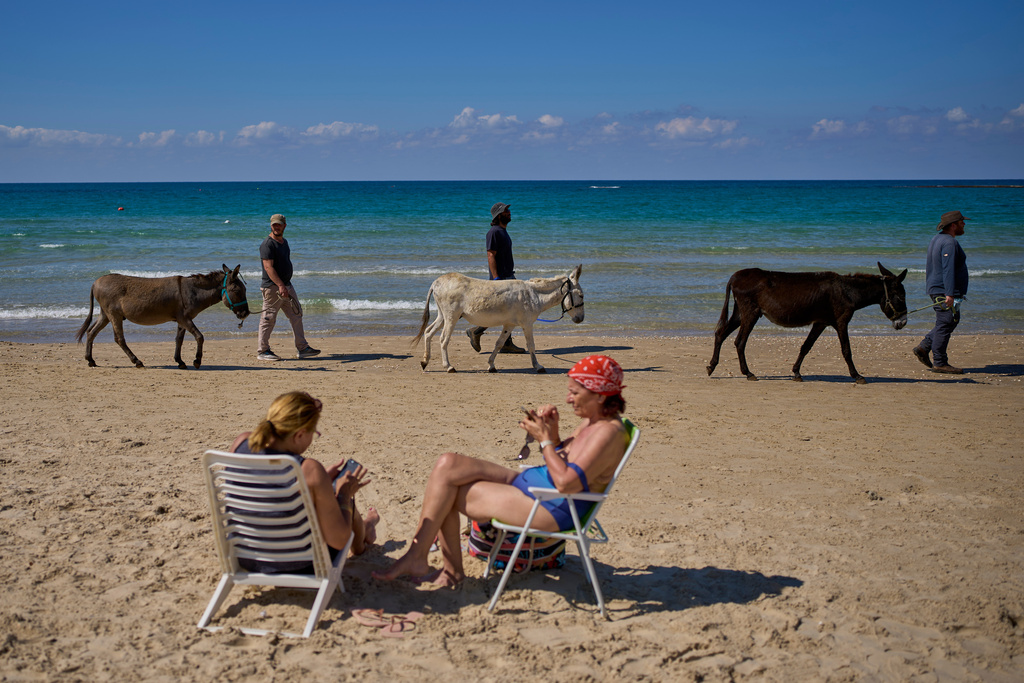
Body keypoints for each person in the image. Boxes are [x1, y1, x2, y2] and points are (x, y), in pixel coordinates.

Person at [373, 355, 629, 587]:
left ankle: (442, 567)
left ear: (598, 395)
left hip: (553, 507)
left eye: (574, 393)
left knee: (447, 492)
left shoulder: (607, 433)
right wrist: (553, 430)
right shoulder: (592, 422)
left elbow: (566, 483)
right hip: (538, 487)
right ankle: (419, 557)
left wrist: (544, 440)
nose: (568, 398)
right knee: (448, 463)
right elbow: (568, 458)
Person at [230, 391, 379, 571]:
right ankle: (364, 536)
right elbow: (339, 541)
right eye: (313, 433)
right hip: (300, 564)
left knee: (321, 497)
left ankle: (366, 527)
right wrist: (344, 495)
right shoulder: (308, 469)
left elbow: (266, 488)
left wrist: (319, 479)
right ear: (300, 435)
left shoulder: (242, 442)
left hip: (246, 557)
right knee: (344, 499)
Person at [256, 214, 320, 361]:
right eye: (274, 225)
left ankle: (302, 348)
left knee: (296, 314)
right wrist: (280, 285)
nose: (276, 227)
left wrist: (285, 285)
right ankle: (263, 350)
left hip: (286, 286)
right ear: (270, 226)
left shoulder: (284, 242)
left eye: (279, 224)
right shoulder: (267, 244)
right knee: (268, 319)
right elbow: (268, 267)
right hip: (273, 288)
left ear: (284, 225)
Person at [913, 210, 970, 374]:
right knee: (947, 322)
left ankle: (924, 347)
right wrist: (950, 293)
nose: (964, 224)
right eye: (961, 222)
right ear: (953, 225)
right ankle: (940, 362)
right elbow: (948, 269)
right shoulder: (949, 243)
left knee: (948, 321)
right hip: (943, 290)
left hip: (938, 288)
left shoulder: (937, 238)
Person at [466, 202, 526, 354]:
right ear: (499, 215)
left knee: (509, 310)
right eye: (506, 210)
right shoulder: (494, 232)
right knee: (500, 310)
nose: (509, 212)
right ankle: (476, 331)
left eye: (508, 210)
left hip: (508, 276)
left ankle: (506, 342)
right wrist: (496, 279)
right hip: (501, 279)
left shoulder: (503, 231)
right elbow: (490, 254)